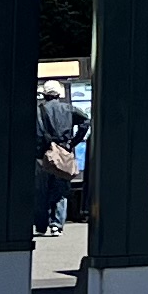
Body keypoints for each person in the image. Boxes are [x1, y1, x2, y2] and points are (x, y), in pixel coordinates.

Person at [34, 76, 86, 235]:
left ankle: (41, 226)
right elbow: (85, 122)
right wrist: (73, 142)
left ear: (44, 94)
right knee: (61, 190)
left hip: (43, 155)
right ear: (59, 94)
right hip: (63, 153)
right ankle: (56, 225)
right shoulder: (68, 109)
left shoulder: (38, 111)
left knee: (41, 191)